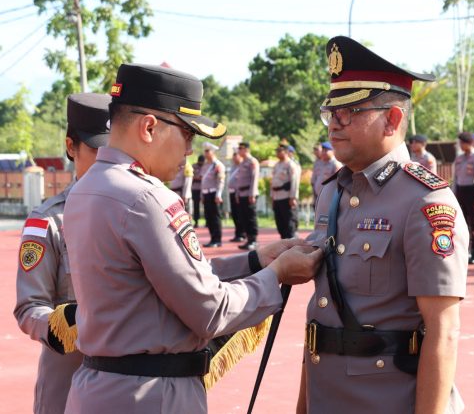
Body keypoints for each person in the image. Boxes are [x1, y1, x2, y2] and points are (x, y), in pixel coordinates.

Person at [62, 63, 322, 414]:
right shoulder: (147, 198)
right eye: (187, 134)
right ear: (150, 127)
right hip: (150, 397)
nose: (190, 150)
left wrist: (254, 260)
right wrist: (275, 276)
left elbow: (161, 277)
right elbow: (210, 311)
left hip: (99, 388)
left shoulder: (86, 188)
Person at [297, 36, 468, 414]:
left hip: (389, 399)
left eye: (350, 111)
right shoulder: (333, 192)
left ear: (392, 119)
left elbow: (443, 331)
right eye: (331, 112)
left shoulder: (425, 200)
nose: (334, 124)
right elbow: (320, 323)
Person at [14, 92, 110, 414]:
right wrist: (65, 325)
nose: (107, 159)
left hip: (128, 384)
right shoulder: (47, 222)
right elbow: (29, 307)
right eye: (97, 148)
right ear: (71, 147)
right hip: (69, 380)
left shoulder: (137, 214)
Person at [453, 132, 474, 264]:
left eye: (462, 143)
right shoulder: (459, 158)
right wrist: (453, 195)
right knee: (461, 222)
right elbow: (455, 178)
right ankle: (464, 251)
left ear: (468, 143)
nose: (460, 145)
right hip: (460, 191)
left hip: (473, 191)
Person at [271, 144, 301, 239]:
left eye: (280, 151)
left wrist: (293, 197)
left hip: (286, 196)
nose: (278, 153)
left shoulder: (291, 165)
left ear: (287, 152)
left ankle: (291, 241)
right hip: (277, 196)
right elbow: (273, 182)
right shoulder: (277, 165)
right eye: (277, 151)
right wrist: (272, 197)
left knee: (289, 221)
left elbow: (294, 182)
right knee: (280, 222)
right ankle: (284, 240)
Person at [235, 142, 260, 250]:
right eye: (239, 148)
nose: (239, 150)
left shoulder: (252, 161)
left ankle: (253, 240)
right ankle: (248, 240)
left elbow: (254, 179)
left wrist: (252, 194)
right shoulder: (242, 162)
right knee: (244, 218)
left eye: (241, 148)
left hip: (249, 194)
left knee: (250, 218)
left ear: (247, 150)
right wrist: (237, 193)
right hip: (241, 194)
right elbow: (239, 180)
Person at [200, 141, 225, 247]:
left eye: (207, 151)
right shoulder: (205, 165)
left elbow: (221, 181)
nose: (205, 153)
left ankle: (217, 240)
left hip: (214, 194)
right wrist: (202, 195)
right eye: (205, 151)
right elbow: (203, 181)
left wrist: (218, 194)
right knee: (209, 217)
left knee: (215, 217)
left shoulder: (218, 165)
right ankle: (212, 238)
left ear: (213, 152)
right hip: (206, 194)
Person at [227, 151, 246, 242]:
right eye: (233, 157)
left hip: (238, 193)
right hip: (231, 192)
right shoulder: (233, 167)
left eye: (236, 156)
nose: (234, 158)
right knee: (234, 214)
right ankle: (237, 233)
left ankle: (242, 233)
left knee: (240, 214)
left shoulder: (242, 167)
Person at [191, 155, 204, 228]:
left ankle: (208, 221)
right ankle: (196, 221)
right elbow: (191, 177)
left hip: (203, 189)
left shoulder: (205, 167)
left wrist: (198, 178)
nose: (200, 163)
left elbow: (203, 178)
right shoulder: (194, 166)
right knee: (196, 206)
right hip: (196, 189)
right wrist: (198, 178)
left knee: (206, 205)